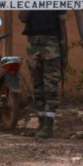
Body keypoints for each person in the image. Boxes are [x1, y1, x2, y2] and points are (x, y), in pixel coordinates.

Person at [18, 10, 67, 138]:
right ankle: (41, 123)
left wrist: (65, 52)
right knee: (37, 87)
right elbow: (23, 17)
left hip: (51, 44)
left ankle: (48, 126)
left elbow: (62, 25)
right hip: (33, 44)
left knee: (50, 87)